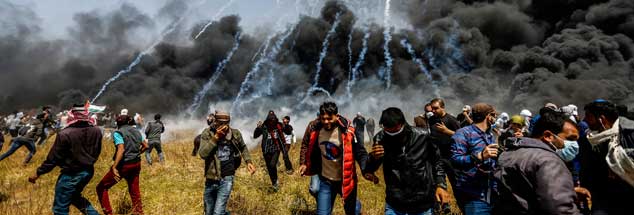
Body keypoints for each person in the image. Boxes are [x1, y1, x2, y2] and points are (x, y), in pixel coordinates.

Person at [365, 107, 450, 215]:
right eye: (386, 129)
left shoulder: (423, 136)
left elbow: (438, 162)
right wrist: (373, 157)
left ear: (402, 124)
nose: (391, 134)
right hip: (395, 202)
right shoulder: (380, 138)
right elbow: (370, 168)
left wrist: (441, 185)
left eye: (395, 130)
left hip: (423, 202)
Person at [494, 110, 582, 214]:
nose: (574, 144)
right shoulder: (549, 161)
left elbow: (526, 191)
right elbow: (560, 209)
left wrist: (565, 190)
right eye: (570, 139)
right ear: (548, 136)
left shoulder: (510, 153)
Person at [28, 104, 102, 215]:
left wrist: (38, 173)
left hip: (71, 175)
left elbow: (53, 158)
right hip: (88, 171)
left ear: (72, 116)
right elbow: (97, 151)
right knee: (75, 198)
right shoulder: (96, 131)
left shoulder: (65, 134)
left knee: (60, 208)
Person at [298, 102, 370, 215]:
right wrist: (303, 163)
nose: (326, 122)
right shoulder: (314, 128)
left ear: (336, 116)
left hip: (345, 180)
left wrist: (366, 169)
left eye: (329, 118)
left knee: (353, 211)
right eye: (323, 119)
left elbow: (360, 151)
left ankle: (356, 205)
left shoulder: (347, 130)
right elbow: (305, 144)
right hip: (326, 181)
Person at [578, 100, 634, 215]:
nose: (585, 120)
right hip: (602, 198)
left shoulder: (630, 134)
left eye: (588, 117)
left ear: (601, 119)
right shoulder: (589, 140)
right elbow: (586, 169)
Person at [198, 110, 256, 215]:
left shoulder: (235, 133)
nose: (224, 126)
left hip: (227, 178)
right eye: (220, 123)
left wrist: (248, 161)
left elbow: (243, 147)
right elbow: (203, 154)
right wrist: (216, 138)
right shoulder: (207, 133)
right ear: (215, 121)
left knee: (218, 213)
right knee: (208, 212)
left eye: (226, 123)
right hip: (211, 178)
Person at [450, 103, 498, 215]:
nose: (495, 118)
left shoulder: (490, 135)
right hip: (474, 195)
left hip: (493, 192)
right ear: (488, 116)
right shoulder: (463, 133)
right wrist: (479, 156)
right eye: (494, 115)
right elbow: (455, 160)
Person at [96, 114, 148, 215]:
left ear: (118, 123)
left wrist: (114, 166)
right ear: (128, 122)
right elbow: (145, 146)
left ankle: (108, 213)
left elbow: (121, 149)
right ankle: (138, 212)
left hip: (124, 165)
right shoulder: (136, 131)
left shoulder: (118, 133)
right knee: (134, 190)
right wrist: (138, 153)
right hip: (136, 163)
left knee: (101, 188)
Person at [254, 111, 289, 191]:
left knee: (273, 165)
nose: (272, 122)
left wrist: (286, 124)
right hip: (266, 150)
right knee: (269, 168)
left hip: (276, 149)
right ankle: (274, 182)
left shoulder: (278, 126)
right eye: (270, 120)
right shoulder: (264, 126)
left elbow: (288, 131)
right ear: (268, 120)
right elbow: (255, 136)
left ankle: (275, 180)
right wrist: (258, 127)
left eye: (273, 120)